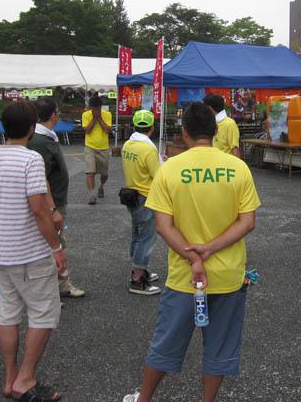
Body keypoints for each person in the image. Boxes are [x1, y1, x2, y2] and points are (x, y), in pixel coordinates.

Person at [123, 102, 261, 402]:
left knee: (166, 342)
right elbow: (247, 222)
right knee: (220, 347)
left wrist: (194, 258)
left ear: (184, 132)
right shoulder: (238, 168)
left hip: (186, 277)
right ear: (215, 131)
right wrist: (210, 249)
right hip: (228, 275)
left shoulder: (170, 169)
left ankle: (143, 398)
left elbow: (163, 226)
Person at [0, 101, 67, 401]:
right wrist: (55, 246)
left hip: (1, 252)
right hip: (29, 252)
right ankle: (25, 379)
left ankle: (10, 377)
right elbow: (39, 209)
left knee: (8, 312)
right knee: (43, 313)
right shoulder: (30, 160)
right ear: (31, 128)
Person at [28, 98, 85, 299]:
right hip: (50, 204)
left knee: (57, 242)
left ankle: (61, 285)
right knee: (53, 244)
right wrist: (53, 210)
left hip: (54, 202)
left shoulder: (45, 137)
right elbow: (41, 178)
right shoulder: (40, 141)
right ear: (54, 115)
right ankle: (53, 290)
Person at [121, 110, 162, 295]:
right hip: (146, 197)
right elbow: (158, 176)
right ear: (151, 128)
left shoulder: (128, 145)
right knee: (146, 238)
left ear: (134, 126)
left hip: (132, 195)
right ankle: (137, 279)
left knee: (137, 235)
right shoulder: (149, 149)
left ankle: (138, 269)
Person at [82, 95, 112, 205]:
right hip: (90, 147)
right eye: (93, 109)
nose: (96, 111)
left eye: (98, 108)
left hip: (103, 148)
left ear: (100, 107)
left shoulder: (107, 114)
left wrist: (99, 118)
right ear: (90, 108)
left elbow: (107, 130)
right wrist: (94, 118)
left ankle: (101, 186)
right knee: (90, 172)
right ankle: (92, 195)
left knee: (104, 174)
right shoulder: (86, 115)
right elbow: (87, 130)